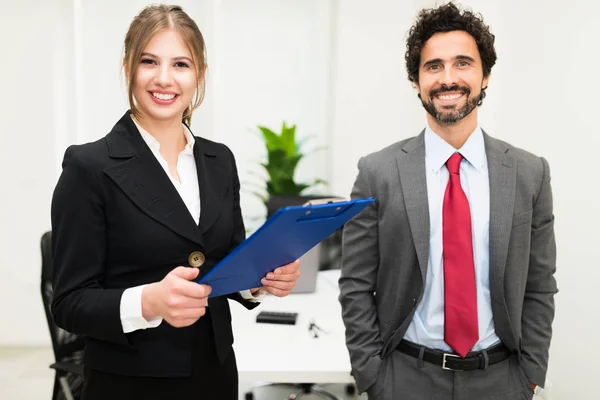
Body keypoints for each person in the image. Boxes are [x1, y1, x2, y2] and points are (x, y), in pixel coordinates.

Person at [50, 4, 300, 400]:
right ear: (128, 67)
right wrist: (147, 301)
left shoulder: (220, 160)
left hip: (215, 373)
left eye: (180, 64)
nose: (164, 78)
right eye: (149, 61)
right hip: (129, 382)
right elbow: (69, 303)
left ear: (199, 73)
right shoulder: (89, 166)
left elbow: (224, 260)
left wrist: (261, 280)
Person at [338, 3, 557, 400]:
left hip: (501, 380)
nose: (448, 78)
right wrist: (373, 377)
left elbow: (540, 286)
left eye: (463, 63)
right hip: (405, 378)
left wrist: (529, 375)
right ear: (416, 80)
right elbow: (355, 284)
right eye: (433, 66)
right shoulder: (378, 172)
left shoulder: (530, 173)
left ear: (485, 75)